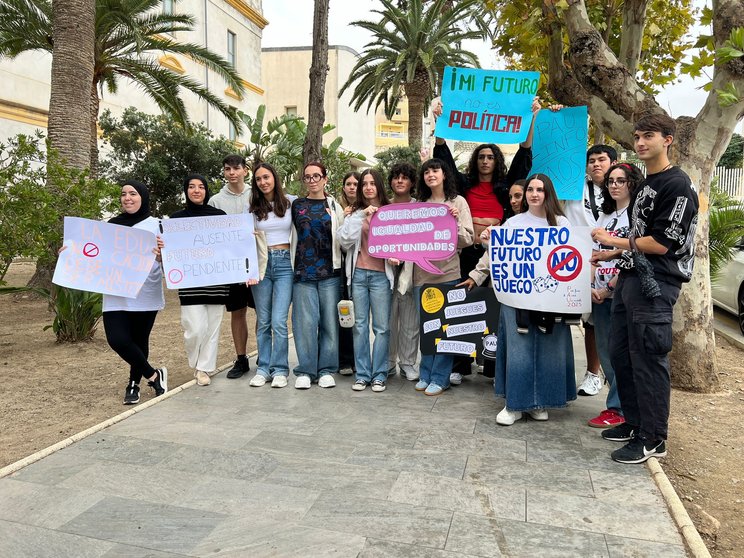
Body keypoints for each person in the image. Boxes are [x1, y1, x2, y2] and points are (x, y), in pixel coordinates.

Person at [593, 114, 698, 464]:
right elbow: (640, 240)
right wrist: (614, 252)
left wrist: (614, 240)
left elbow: (664, 243)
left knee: (648, 361)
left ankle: (653, 438)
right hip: (632, 280)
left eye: (648, 136)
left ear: (667, 139)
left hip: (657, 285)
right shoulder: (647, 185)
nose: (640, 142)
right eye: (637, 136)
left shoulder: (677, 185)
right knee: (622, 356)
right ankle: (633, 423)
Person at [433, 98, 540, 385]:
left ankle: (493, 366)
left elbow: (524, 154)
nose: (485, 161)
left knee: (496, 307)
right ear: (475, 160)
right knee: (461, 306)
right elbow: (442, 159)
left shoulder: (508, 188)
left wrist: (530, 118)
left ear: (496, 161)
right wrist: (439, 123)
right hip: (468, 251)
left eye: (490, 157)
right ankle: (460, 364)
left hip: (500, 253)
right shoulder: (463, 185)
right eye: (481, 157)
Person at [469, 174, 575, 425]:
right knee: (519, 351)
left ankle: (539, 402)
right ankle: (514, 404)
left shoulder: (562, 224)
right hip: (516, 299)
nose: (534, 194)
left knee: (548, 350)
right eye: (530, 189)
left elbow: (570, 261)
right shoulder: (513, 223)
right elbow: (500, 258)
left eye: (540, 189)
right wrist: (488, 243)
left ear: (548, 192)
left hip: (551, 299)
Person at [587, 163, 644, 427]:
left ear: (633, 183)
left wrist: (608, 287)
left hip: (620, 293)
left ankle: (620, 409)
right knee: (606, 353)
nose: (614, 185)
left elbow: (634, 256)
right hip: (599, 295)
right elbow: (594, 254)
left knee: (620, 354)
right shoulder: (605, 215)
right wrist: (591, 287)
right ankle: (618, 406)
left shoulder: (637, 216)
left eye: (621, 180)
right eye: (611, 181)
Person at [103, 181, 167, 404]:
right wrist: (72, 252)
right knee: (117, 339)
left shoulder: (157, 225)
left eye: (133, 193)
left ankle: (134, 383)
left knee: (139, 340)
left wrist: (163, 256)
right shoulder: (111, 225)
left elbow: (171, 258)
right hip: (115, 293)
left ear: (143, 197)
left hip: (144, 292)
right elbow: (95, 253)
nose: (127, 198)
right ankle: (153, 374)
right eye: (123, 194)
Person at [413, 158, 474, 396]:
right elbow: (410, 240)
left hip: (448, 274)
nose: (431, 174)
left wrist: (456, 220)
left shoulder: (458, 202)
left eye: (435, 170)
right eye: (426, 171)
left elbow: (468, 239)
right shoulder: (419, 205)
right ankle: (426, 372)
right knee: (428, 329)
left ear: (444, 174)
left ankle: (440, 377)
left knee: (445, 329)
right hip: (422, 275)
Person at [564, 146, 618, 398]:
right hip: (580, 261)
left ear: (614, 162)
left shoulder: (622, 190)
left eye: (602, 160)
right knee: (590, 320)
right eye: (591, 161)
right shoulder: (573, 189)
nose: (596, 164)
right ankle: (593, 374)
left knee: (612, 322)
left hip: (615, 261)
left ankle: (613, 379)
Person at [169, 174, 229, 388]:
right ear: (186, 191)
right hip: (190, 283)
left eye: (201, 187)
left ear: (206, 191)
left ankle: (203, 368)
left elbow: (229, 247)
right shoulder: (175, 220)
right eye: (192, 187)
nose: (196, 190)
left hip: (216, 281)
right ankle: (196, 362)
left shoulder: (220, 216)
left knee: (212, 329)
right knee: (194, 329)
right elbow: (172, 250)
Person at [338, 168, 394, 392]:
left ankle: (379, 374)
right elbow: (344, 241)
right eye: (364, 184)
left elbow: (399, 243)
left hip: (382, 276)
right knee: (359, 326)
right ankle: (362, 374)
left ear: (379, 186)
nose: (368, 187)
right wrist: (361, 215)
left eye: (372, 183)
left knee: (381, 328)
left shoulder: (391, 212)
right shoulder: (355, 213)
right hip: (359, 274)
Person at [291, 161, 345, 389]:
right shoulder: (295, 205)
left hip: (330, 273)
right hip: (303, 273)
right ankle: (306, 370)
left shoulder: (334, 206)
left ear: (325, 178)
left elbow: (343, 236)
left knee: (329, 324)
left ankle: (325, 370)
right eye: (308, 177)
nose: (312, 180)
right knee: (304, 324)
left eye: (316, 176)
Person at [247, 162, 296, 389]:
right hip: (261, 265)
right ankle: (264, 368)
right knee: (264, 320)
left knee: (278, 320)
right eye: (258, 179)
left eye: (266, 177)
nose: (263, 182)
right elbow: (243, 242)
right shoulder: (252, 210)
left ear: (274, 178)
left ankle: (280, 369)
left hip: (285, 263)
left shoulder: (291, 203)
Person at [208, 154, 254, 379]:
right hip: (231, 266)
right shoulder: (216, 200)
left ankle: (264, 357)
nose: (232, 172)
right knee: (238, 312)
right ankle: (241, 358)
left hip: (256, 263)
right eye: (228, 169)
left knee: (263, 313)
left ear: (246, 170)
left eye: (236, 168)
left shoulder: (256, 195)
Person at [386, 162, 420, 382]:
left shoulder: (421, 207)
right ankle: (387, 363)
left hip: (412, 270)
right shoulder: (383, 207)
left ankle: (407, 363)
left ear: (411, 182)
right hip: (386, 269)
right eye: (396, 177)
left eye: (404, 177)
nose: (400, 181)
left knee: (410, 322)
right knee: (386, 321)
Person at [338, 171, 360, 375]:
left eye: (356, 183)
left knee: (360, 318)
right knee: (344, 313)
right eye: (349, 183)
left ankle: (360, 360)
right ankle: (345, 359)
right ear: (343, 187)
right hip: (340, 270)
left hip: (360, 269)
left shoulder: (369, 207)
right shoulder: (336, 208)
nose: (352, 187)